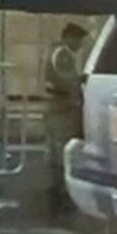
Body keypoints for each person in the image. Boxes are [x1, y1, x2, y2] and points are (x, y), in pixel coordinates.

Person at [45, 23, 89, 179]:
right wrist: (80, 80)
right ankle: (59, 179)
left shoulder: (61, 52)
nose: (80, 44)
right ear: (69, 38)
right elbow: (65, 79)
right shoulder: (62, 54)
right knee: (61, 140)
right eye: (78, 40)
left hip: (60, 103)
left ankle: (58, 175)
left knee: (58, 140)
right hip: (60, 104)